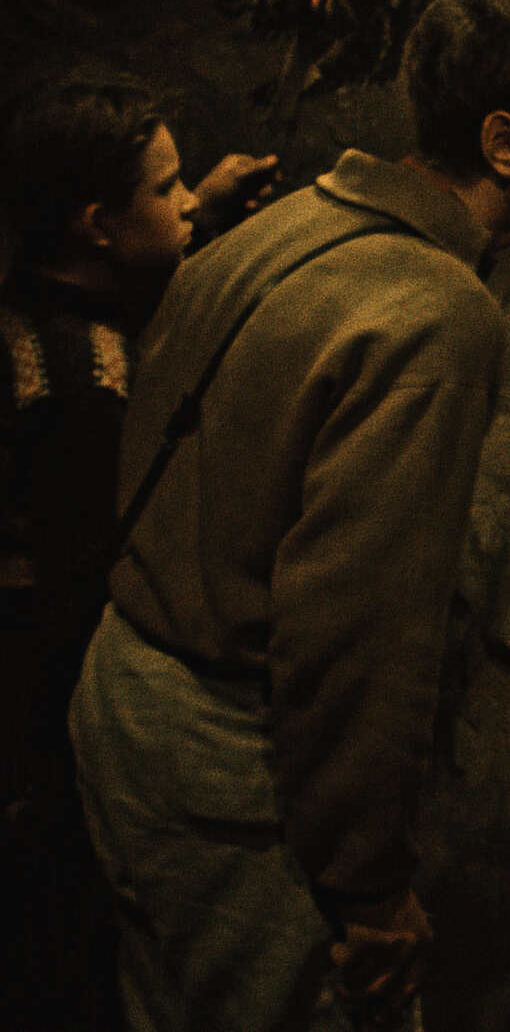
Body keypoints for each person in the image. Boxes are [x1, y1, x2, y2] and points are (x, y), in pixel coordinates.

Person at [67, 0, 510, 1032]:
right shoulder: (435, 312)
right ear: (505, 142)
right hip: (227, 756)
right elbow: (357, 632)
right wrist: (370, 888)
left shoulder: (288, 224)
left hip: (125, 693)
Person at [0, 70, 277, 1030]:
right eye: (166, 188)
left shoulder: (34, 301)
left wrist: (201, 211)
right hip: (54, 724)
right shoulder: (83, 392)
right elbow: (85, 586)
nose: (187, 199)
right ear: (95, 225)